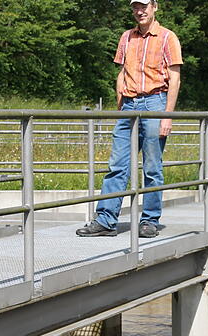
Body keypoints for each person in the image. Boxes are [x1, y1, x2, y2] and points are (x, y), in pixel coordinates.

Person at [76, 0, 182, 238]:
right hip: (129, 105)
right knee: (117, 165)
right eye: (135, 7)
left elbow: (174, 79)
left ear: (155, 6)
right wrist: (120, 103)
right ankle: (105, 220)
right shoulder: (127, 37)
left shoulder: (167, 38)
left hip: (156, 102)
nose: (140, 11)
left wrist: (167, 116)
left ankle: (149, 220)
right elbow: (122, 73)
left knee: (152, 167)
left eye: (144, 6)